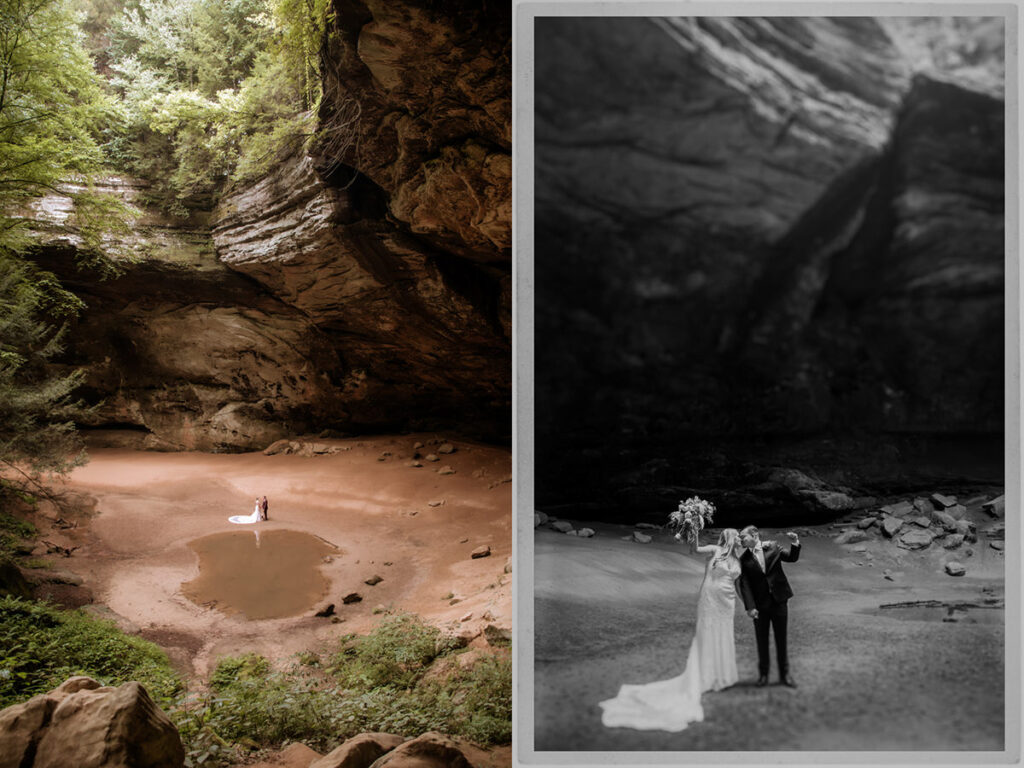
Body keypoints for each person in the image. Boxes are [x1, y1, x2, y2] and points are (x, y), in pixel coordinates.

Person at [599, 528, 742, 732]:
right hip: (711, 598)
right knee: (708, 634)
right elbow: (695, 548)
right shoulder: (715, 549)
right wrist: (692, 528)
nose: (738, 538)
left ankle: (721, 675)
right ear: (729, 537)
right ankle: (705, 675)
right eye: (736, 535)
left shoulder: (738, 557)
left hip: (728, 601)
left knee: (724, 634)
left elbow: (743, 579)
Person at [737, 525, 801, 688]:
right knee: (762, 641)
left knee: (781, 639)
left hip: (779, 601)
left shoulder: (772, 546)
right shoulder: (744, 559)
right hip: (760, 606)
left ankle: (784, 675)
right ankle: (763, 675)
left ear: (755, 535)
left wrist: (795, 543)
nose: (741, 539)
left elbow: (791, 558)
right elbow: (745, 584)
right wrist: (750, 607)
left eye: (743, 536)